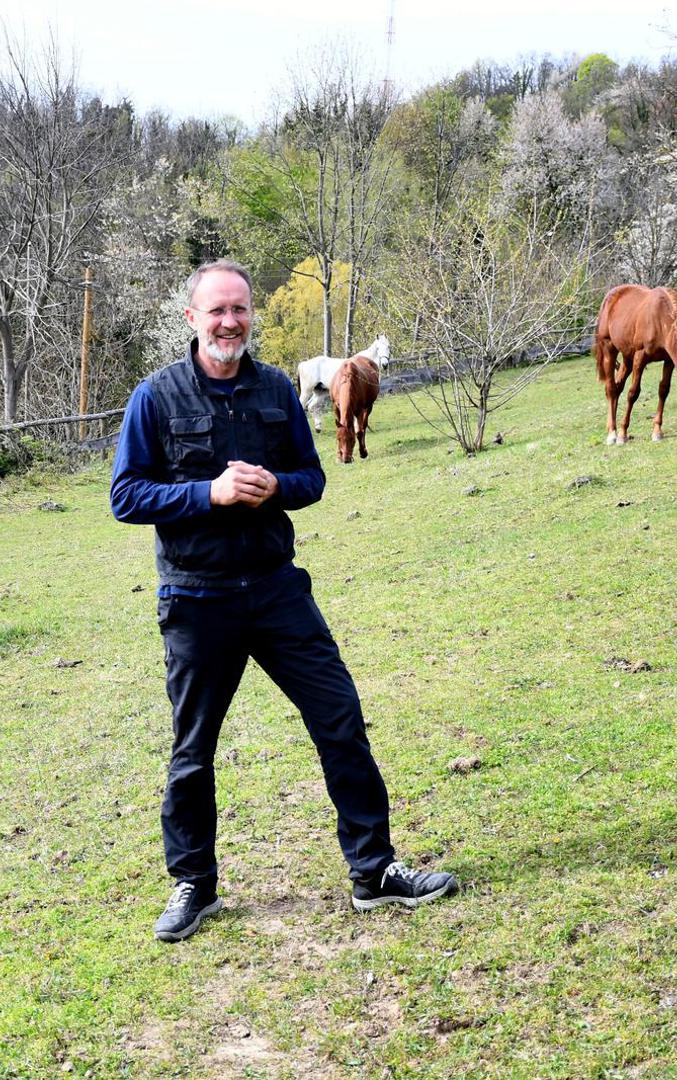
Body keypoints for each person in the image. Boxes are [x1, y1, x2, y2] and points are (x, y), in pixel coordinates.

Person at [111, 259, 459, 943]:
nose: (229, 322)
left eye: (239, 309)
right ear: (192, 318)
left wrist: (279, 487)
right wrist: (204, 494)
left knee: (339, 718)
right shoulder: (154, 397)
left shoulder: (275, 390)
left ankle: (375, 871)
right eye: (216, 311)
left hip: (276, 590)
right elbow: (127, 496)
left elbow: (313, 477)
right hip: (197, 597)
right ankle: (195, 885)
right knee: (192, 750)